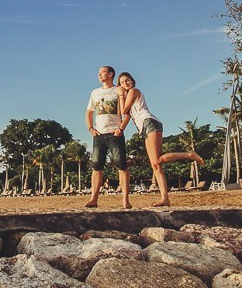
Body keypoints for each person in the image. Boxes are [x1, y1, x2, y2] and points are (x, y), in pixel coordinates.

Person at [117, 71, 203, 207]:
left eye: (127, 80)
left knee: (157, 161)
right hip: (144, 127)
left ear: (132, 81)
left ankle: (189, 155)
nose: (125, 83)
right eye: (122, 82)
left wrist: (121, 94)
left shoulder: (134, 91)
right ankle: (165, 199)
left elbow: (123, 110)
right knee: (156, 165)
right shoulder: (130, 95)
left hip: (149, 123)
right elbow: (124, 113)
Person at [85, 65, 130, 209]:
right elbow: (89, 112)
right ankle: (93, 199)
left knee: (121, 165)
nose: (100, 74)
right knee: (96, 166)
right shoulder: (95, 92)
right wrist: (91, 128)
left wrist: (121, 128)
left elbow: (127, 112)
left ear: (110, 74)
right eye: (99, 72)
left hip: (114, 133)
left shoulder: (119, 90)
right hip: (99, 134)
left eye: (103, 72)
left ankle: (125, 200)